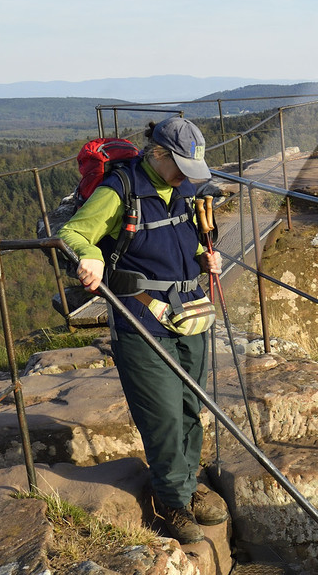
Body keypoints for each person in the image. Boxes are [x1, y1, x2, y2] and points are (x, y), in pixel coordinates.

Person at [59, 117, 227, 545]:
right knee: (163, 414)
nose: (186, 177)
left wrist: (205, 256)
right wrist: (89, 256)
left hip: (189, 310)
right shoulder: (120, 190)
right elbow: (73, 232)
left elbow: (183, 241)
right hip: (140, 316)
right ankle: (171, 500)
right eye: (180, 168)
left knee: (191, 403)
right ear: (158, 154)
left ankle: (187, 483)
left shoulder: (183, 189)